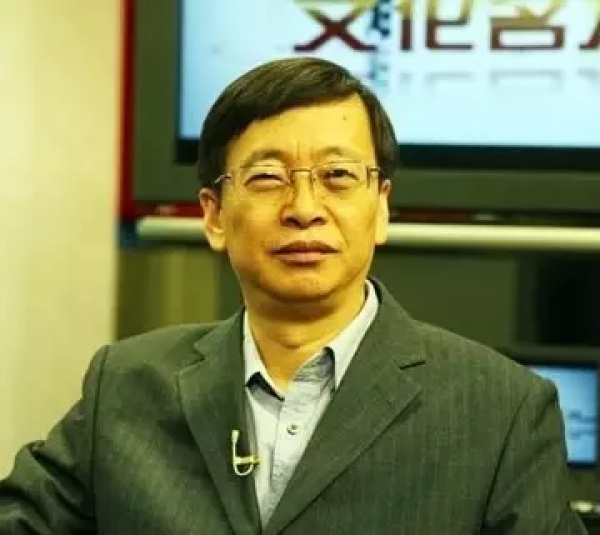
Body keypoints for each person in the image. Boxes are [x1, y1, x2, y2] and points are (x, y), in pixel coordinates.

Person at [0, 57, 587, 535]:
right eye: (267, 178)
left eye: (338, 177)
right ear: (214, 215)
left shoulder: (501, 409)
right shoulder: (125, 386)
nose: (304, 210)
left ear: (381, 207)